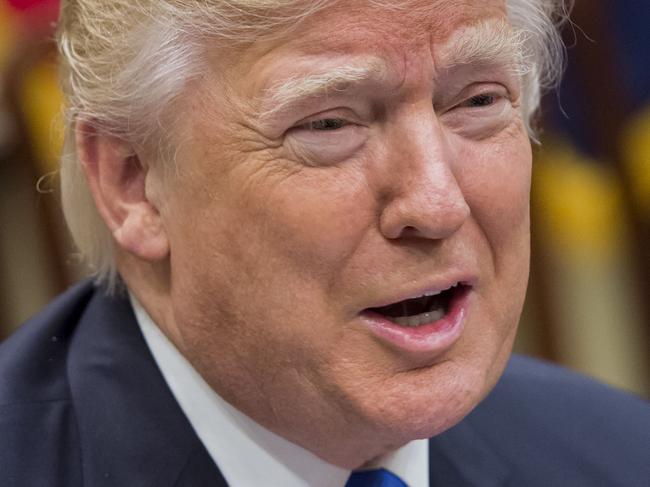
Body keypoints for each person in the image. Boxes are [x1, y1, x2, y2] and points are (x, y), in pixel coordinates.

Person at [1, 0, 649, 485]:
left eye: (478, 101)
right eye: (330, 122)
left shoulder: (618, 454)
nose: (436, 202)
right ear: (133, 181)